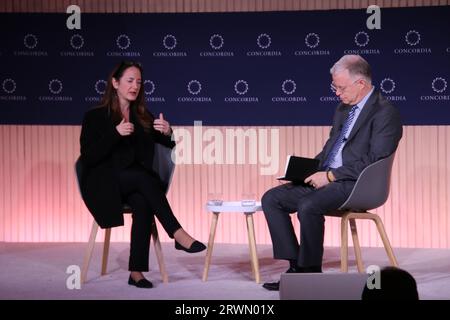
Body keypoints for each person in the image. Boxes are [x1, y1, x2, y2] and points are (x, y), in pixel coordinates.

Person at [261, 55, 403, 291]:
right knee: (272, 199)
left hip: (355, 182)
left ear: (361, 83)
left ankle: (311, 273)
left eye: (340, 87)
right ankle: (296, 266)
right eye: (334, 86)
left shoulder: (385, 112)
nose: (336, 92)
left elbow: (375, 159)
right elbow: (331, 149)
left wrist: (330, 176)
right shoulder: (342, 109)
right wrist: (303, 170)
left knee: (309, 204)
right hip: (329, 176)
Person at [79, 60, 206, 289]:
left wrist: (168, 132)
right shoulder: (95, 117)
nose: (135, 86)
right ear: (115, 83)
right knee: (144, 179)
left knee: (143, 199)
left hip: (134, 183)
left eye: (138, 82)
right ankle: (176, 232)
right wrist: (115, 134)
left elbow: (162, 145)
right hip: (103, 184)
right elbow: (88, 157)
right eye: (129, 81)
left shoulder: (142, 115)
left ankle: (136, 272)